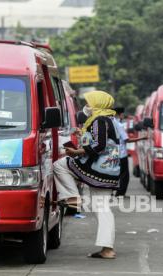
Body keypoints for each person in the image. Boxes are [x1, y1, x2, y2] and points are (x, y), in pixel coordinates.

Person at [53, 90, 120, 259]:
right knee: (102, 208)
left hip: (97, 169)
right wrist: (82, 135)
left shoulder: (99, 120)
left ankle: (71, 197)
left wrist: (76, 152)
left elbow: (100, 146)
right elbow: (100, 140)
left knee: (60, 165)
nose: (87, 107)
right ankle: (107, 248)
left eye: (90, 103)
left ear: (98, 104)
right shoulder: (109, 119)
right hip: (109, 170)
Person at [112, 108, 147, 197]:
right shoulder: (118, 124)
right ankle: (120, 193)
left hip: (113, 153)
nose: (123, 116)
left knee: (114, 173)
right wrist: (142, 138)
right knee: (124, 175)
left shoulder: (111, 122)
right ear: (119, 115)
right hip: (121, 154)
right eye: (122, 114)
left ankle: (114, 191)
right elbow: (127, 139)